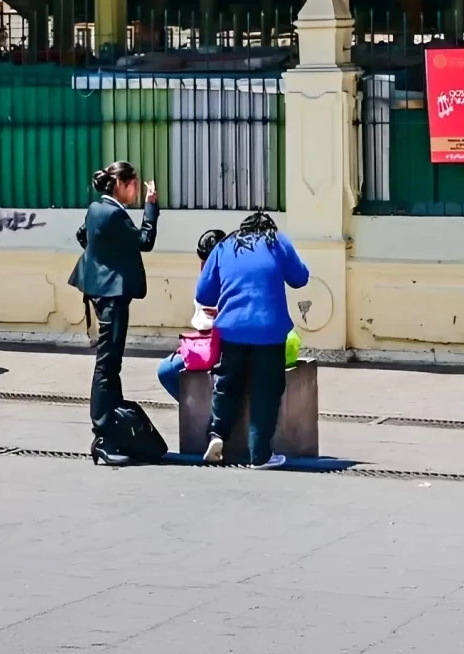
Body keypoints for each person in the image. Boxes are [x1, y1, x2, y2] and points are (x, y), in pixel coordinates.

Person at [193, 211, 310, 467]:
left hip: (231, 329)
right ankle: (260, 455)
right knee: (266, 389)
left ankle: (217, 434)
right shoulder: (277, 242)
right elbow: (300, 278)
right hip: (269, 330)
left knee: (228, 384)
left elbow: (204, 294)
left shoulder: (225, 246)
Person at [68, 161, 157, 423]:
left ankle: (113, 416)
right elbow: (145, 241)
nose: (137, 193)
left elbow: (83, 235)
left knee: (110, 362)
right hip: (112, 295)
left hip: (101, 290)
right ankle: (103, 427)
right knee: (108, 363)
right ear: (120, 184)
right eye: (134, 186)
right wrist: (152, 206)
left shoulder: (96, 208)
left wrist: (101, 261)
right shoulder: (113, 213)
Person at [158, 230, 230, 400]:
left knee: (170, 370)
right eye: (202, 261)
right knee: (167, 370)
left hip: (228, 347)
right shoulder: (205, 283)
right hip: (207, 343)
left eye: (209, 262)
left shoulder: (233, 280)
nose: (204, 267)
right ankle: (196, 410)